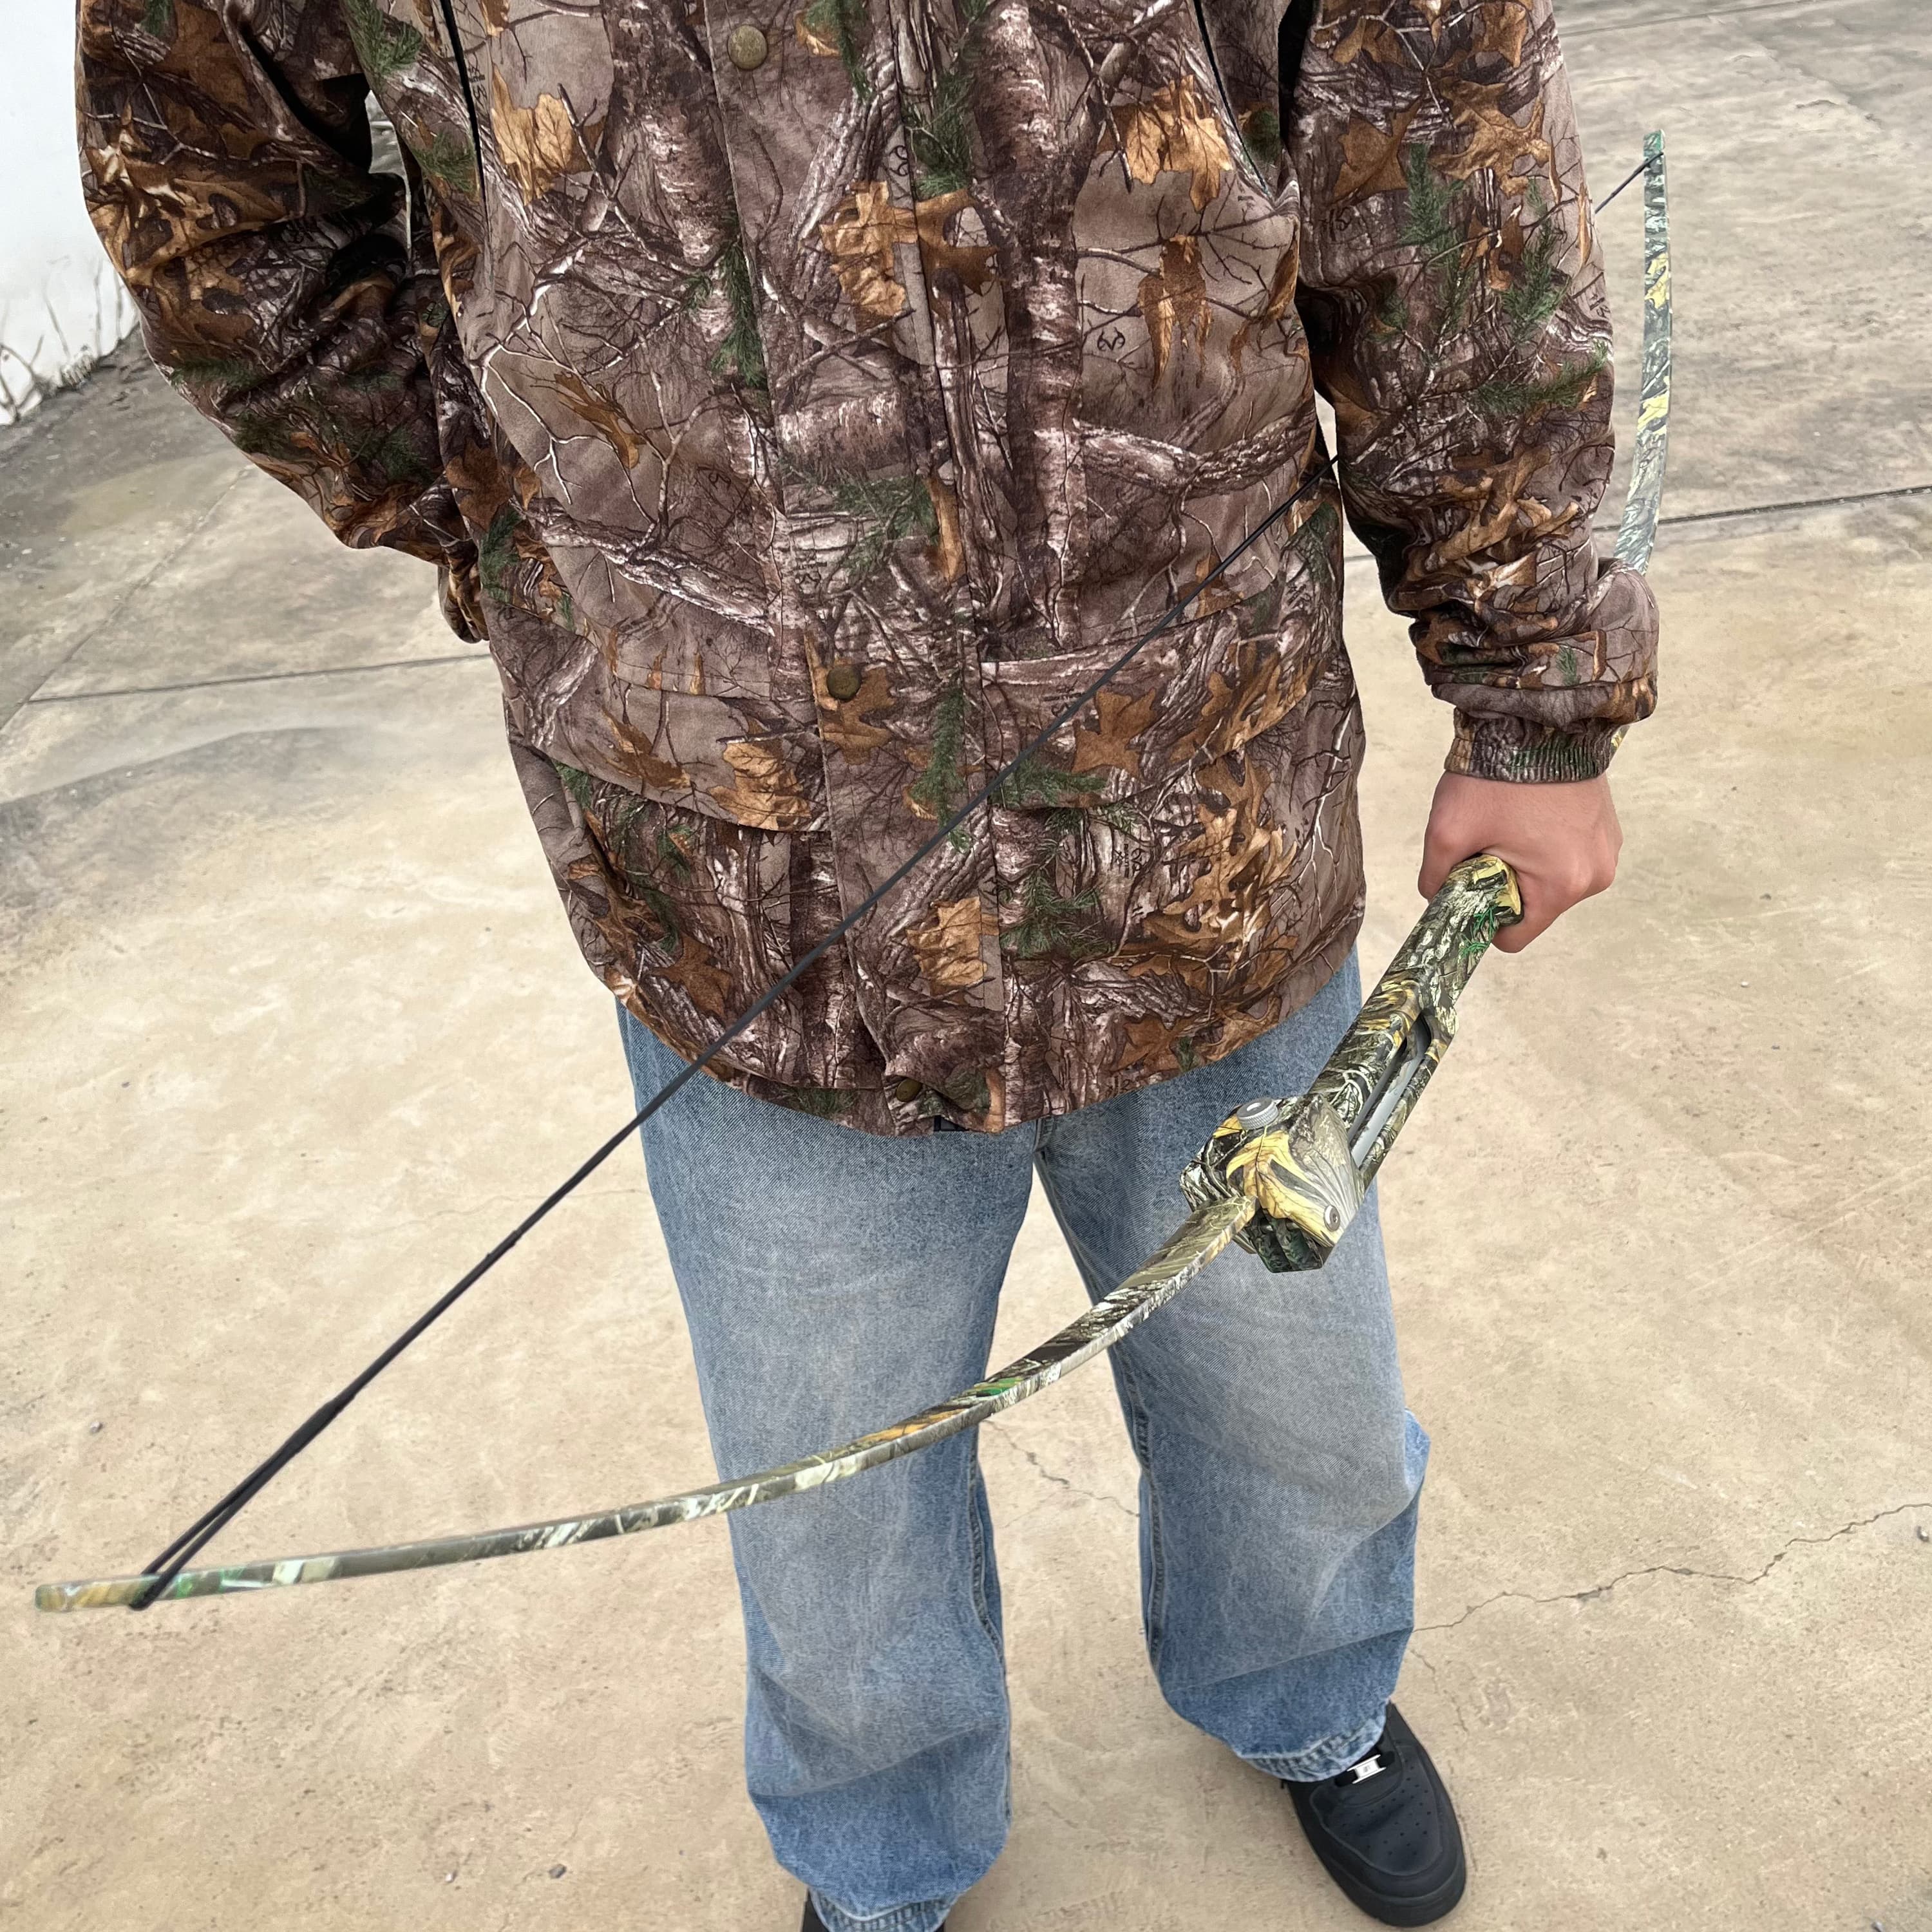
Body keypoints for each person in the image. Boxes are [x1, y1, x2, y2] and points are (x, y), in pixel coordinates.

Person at [78, 0, 1656, 1921]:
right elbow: (209, 193)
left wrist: (1536, 692)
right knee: (826, 1486)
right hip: (742, 886)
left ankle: (1308, 1692)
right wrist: (513, 515)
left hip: (1202, 811)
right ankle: (884, 1853)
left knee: (1290, 1399)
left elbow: (1448, 168)